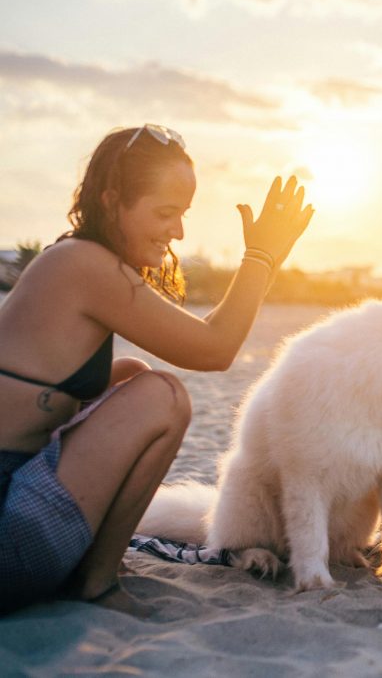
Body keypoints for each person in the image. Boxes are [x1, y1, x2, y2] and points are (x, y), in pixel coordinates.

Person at [0, 124, 313, 612]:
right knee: (163, 396)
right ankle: (97, 582)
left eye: (183, 214)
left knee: (129, 372)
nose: (179, 231)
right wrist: (261, 256)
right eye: (166, 213)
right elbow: (214, 349)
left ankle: (91, 567)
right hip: (10, 541)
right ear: (112, 201)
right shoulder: (83, 264)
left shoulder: (66, 260)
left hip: (16, 512)